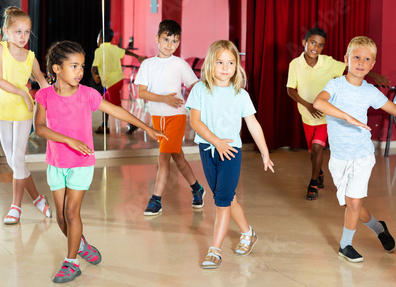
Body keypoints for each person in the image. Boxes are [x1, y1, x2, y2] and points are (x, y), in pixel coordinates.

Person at [35, 40, 166, 283]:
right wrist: (69, 140)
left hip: (82, 164)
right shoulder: (44, 95)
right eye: (74, 66)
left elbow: (117, 111)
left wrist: (147, 127)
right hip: (56, 162)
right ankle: (81, 245)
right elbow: (40, 128)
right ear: (56, 69)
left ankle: (71, 262)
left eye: (82, 66)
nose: (80, 71)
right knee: (61, 217)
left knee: (72, 213)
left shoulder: (88, 94)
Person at [313, 36, 396, 263]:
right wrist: (347, 117)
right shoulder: (335, 85)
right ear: (346, 59)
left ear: (372, 65)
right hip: (339, 157)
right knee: (353, 204)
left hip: (362, 154)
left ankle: (345, 245)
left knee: (353, 203)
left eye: (367, 59)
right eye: (356, 57)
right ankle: (378, 226)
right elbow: (318, 103)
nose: (361, 62)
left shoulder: (370, 91)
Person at [186, 40, 275, 269]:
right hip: (208, 150)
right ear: (210, 64)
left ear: (237, 66)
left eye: (231, 63)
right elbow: (195, 122)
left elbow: (253, 124)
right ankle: (248, 233)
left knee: (222, 202)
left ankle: (214, 251)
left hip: (231, 153)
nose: (225, 67)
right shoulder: (200, 90)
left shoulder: (241, 94)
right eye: (220, 62)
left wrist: (265, 152)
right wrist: (216, 142)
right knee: (226, 196)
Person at [286, 27, 389, 200]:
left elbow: (354, 67)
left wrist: (375, 76)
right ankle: (318, 173)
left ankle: (312, 184)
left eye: (320, 45)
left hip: (326, 115)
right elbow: (290, 90)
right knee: (313, 152)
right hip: (307, 114)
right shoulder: (295, 64)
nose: (315, 48)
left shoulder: (328, 62)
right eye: (312, 43)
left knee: (319, 147)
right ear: (304, 43)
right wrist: (309, 106)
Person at [135, 19, 205, 216]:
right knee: (178, 157)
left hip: (176, 116)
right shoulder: (148, 64)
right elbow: (142, 92)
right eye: (166, 39)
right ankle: (197, 189)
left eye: (175, 41)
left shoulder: (180, 64)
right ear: (157, 38)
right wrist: (164, 99)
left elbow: (196, 86)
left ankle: (156, 199)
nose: (170, 45)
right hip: (158, 118)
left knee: (164, 157)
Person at [0, 7, 51, 225]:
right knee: (12, 160)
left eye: (27, 32)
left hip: (24, 111)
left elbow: (44, 85)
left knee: (18, 158)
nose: (23, 37)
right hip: (5, 108)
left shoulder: (30, 57)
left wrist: (61, 99)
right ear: (7, 31)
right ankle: (37, 197)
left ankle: (15, 207)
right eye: (18, 32)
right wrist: (23, 94)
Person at [91, 28, 145, 135]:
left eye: (98, 38)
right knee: (103, 102)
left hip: (112, 82)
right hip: (118, 80)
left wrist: (94, 75)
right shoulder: (114, 48)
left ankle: (133, 124)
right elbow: (125, 51)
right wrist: (137, 56)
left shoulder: (98, 51)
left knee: (117, 107)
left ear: (100, 39)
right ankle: (104, 127)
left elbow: (94, 67)